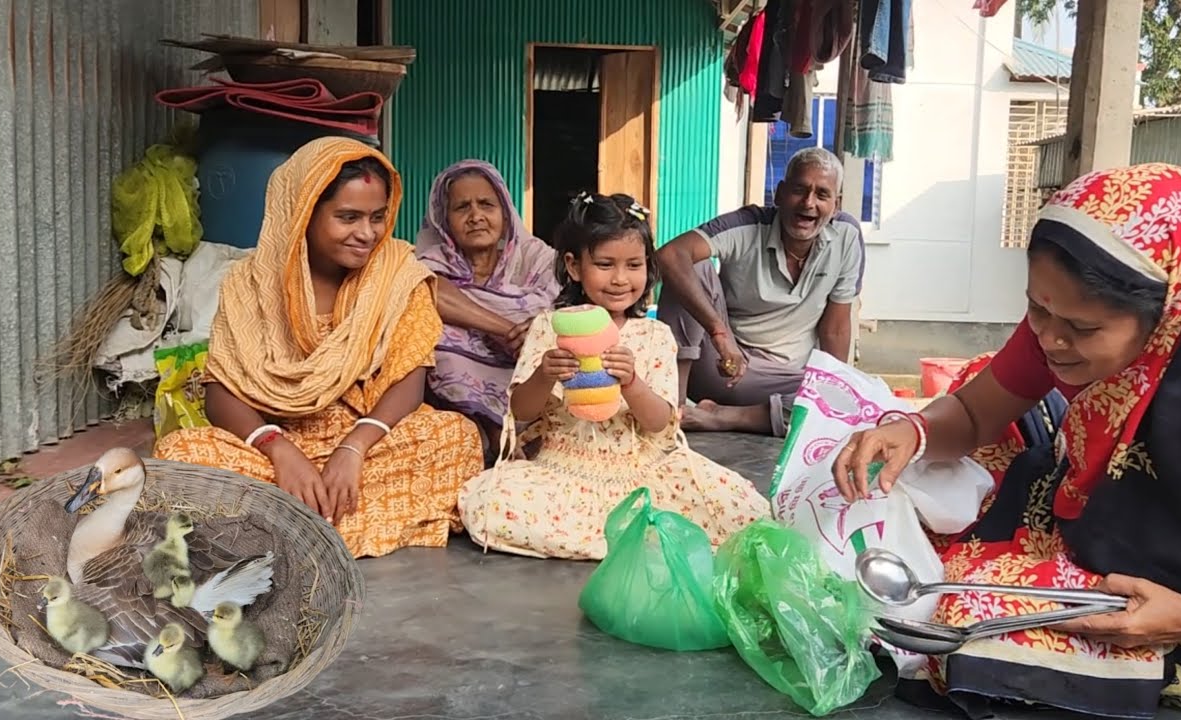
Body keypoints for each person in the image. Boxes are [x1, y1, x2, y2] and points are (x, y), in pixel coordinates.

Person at [833, 164, 1181, 715]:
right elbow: (972, 411)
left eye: (1082, 329)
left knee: (975, 639)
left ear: (1164, 310)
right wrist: (910, 432)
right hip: (1097, 528)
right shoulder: (1058, 320)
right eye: (1037, 307)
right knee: (914, 548)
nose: (1050, 339)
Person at [155, 137, 483, 559]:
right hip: (274, 446)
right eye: (348, 217)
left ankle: (276, 530)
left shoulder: (398, 275)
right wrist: (278, 449)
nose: (366, 234)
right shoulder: (250, 286)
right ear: (303, 213)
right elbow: (221, 392)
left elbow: (409, 380)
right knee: (181, 454)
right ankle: (320, 522)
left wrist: (353, 448)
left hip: (369, 442)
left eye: (378, 217)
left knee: (453, 437)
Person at [457, 192, 769, 560]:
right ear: (573, 267)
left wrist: (633, 383)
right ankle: (621, 537)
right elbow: (521, 410)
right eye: (604, 264)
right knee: (491, 505)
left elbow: (659, 423)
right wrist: (544, 374)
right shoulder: (548, 329)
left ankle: (610, 535)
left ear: (648, 268)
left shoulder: (654, 336)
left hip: (641, 471)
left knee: (735, 504)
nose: (620, 279)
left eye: (633, 265)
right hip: (564, 468)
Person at [656, 146, 864, 437]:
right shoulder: (747, 225)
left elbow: (836, 328)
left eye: (822, 194)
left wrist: (838, 387)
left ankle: (724, 417)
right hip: (720, 364)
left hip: (783, 383)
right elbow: (669, 256)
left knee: (845, 404)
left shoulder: (847, 237)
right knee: (692, 264)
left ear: (836, 205)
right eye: (799, 190)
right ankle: (673, 407)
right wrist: (720, 334)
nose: (808, 203)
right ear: (779, 194)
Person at [415, 160, 558, 456]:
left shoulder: (535, 256)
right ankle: (496, 432)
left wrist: (535, 330)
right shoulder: (431, 262)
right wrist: (506, 329)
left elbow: (559, 306)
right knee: (437, 335)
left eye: (486, 204)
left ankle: (527, 431)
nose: (475, 216)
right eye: (462, 207)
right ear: (444, 219)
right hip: (464, 392)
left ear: (505, 214)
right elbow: (426, 292)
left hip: (530, 367)